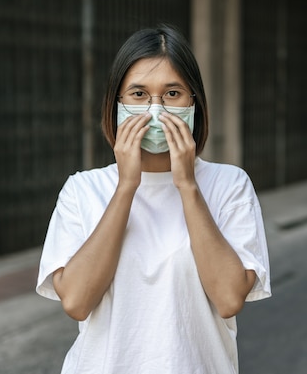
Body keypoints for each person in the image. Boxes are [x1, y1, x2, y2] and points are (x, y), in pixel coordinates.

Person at [36, 24, 271, 373]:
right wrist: (126, 186)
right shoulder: (83, 190)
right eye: (139, 94)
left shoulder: (229, 184)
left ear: (195, 102)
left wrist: (188, 185)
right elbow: (76, 301)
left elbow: (228, 298)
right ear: (116, 103)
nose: (156, 111)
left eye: (173, 94)